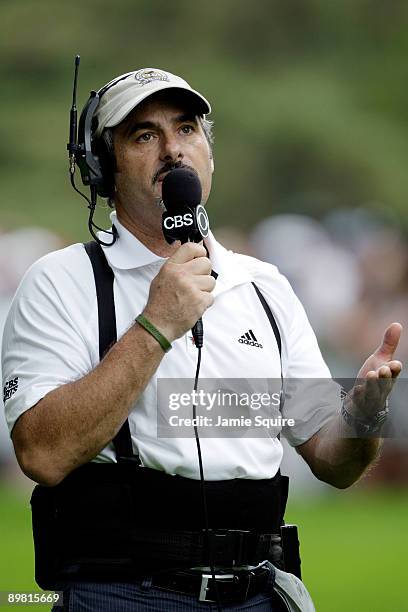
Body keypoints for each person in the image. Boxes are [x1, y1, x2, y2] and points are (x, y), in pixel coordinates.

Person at [2, 67, 402, 611]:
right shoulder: (60, 281)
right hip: (120, 595)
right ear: (102, 166)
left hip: (260, 593)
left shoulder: (265, 286)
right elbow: (42, 455)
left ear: (209, 154)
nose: (172, 149)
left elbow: (334, 462)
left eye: (186, 129)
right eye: (145, 135)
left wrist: (363, 413)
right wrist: (156, 325)